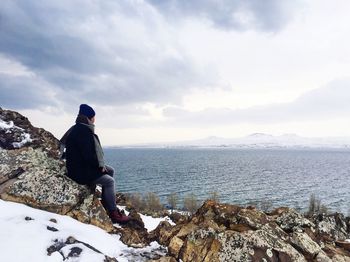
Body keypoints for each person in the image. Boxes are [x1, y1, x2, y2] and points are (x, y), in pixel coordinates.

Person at [60, 104, 130, 224]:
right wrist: (99, 168)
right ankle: (113, 213)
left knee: (111, 170)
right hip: (79, 172)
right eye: (93, 117)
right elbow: (89, 157)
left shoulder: (76, 128)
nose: (94, 120)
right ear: (89, 118)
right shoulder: (84, 132)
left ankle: (106, 203)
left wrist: (100, 166)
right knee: (109, 181)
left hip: (76, 166)